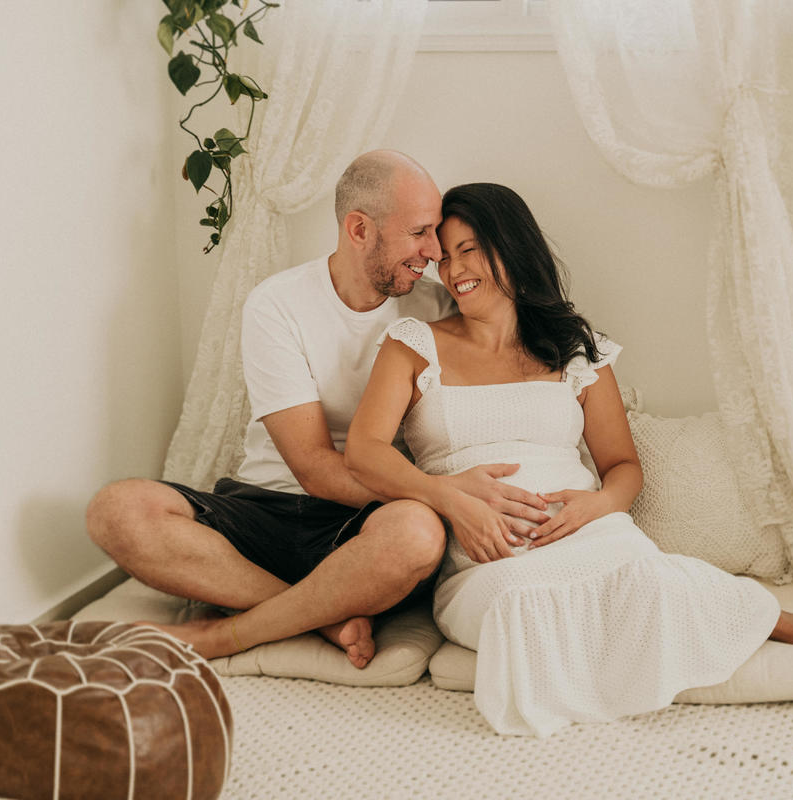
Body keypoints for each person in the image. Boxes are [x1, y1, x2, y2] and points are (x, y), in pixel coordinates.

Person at [343, 182, 793, 737]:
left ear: (512, 247)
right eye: (443, 254)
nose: (452, 267)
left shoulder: (577, 350)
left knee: (656, 583)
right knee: (521, 608)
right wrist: (452, 499)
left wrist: (596, 506)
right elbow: (364, 454)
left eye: (469, 249)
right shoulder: (414, 343)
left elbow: (622, 467)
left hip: (587, 535)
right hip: (487, 558)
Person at [85, 152, 551, 669]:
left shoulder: (439, 308)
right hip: (269, 505)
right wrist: (444, 493)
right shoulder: (277, 304)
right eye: (420, 232)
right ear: (359, 230)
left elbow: (508, 357)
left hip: (375, 520)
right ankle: (325, 615)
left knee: (416, 536)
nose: (434, 251)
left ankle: (236, 627)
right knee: (118, 510)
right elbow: (312, 466)